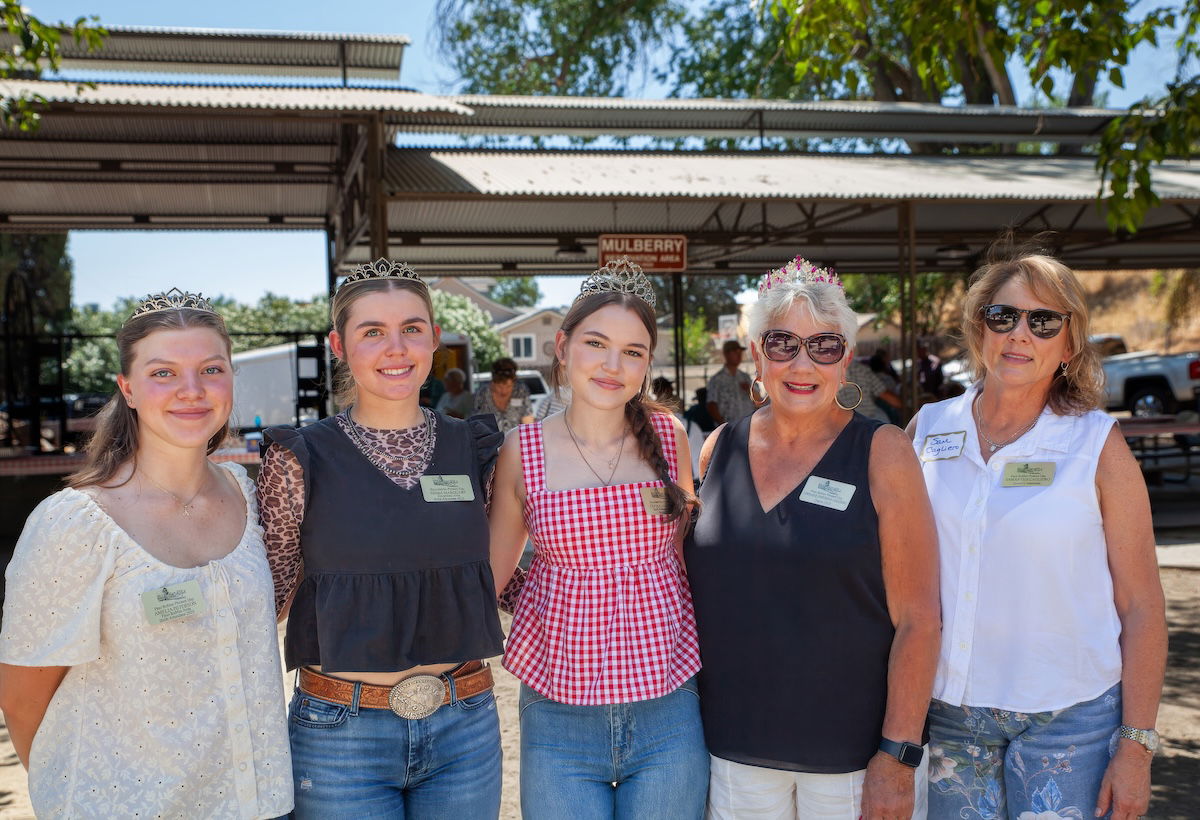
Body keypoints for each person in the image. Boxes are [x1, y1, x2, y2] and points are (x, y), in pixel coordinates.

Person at [0, 289, 292, 818]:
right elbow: (22, 700)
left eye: (211, 369)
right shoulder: (77, 523)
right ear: (128, 389)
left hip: (257, 805)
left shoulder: (249, 496)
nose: (191, 390)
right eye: (163, 373)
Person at [909, 251, 1167, 820]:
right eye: (1003, 316)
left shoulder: (1097, 444)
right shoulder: (928, 430)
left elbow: (1143, 606)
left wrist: (1136, 745)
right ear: (980, 327)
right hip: (949, 715)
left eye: (1044, 321)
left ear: (1069, 345)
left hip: (1070, 718)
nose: (1020, 334)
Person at [686, 257, 940, 819]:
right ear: (757, 355)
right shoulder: (717, 450)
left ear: (845, 360)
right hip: (734, 756)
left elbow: (920, 619)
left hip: (853, 763)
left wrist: (898, 755)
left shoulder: (884, 452)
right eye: (783, 344)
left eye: (825, 346)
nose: (803, 364)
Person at [259, 259, 505, 817]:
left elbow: (509, 576)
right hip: (340, 737)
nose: (396, 348)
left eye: (411, 329)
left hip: (464, 727)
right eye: (372, 332)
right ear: (339, 346)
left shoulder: (477, 449)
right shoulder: (298, 458)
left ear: (434, 339)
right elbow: (266, 598)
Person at [490, 258, 708, 819]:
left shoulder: (669, 436)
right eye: (596, 344)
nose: (613, 366)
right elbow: (491, 574)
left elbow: (684, 560)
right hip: (558, 710)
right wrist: (541, 598)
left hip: (667, 700)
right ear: (563, 348)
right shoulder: (522, 450)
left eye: (633, 351)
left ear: (647, 363)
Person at [475, 356, 533, 433]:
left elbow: (528, 424)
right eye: (499, 386)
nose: (504, 391)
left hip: (515, 438)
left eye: (509, 386)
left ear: (514, 382)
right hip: (490, 439)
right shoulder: (482, 393)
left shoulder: (521, 391)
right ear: (493, 382)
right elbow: (476, 423)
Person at [840, 357, 904, 424]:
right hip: (869, 417)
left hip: (845, 421)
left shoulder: (834, 371)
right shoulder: (861, 370)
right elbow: (888, 396)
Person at [706, 339, 755, 424]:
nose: (739, 355)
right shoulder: (717, 380)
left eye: (740, 352)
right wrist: (722, 424)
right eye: (735, 352)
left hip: (748, 425)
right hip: (728, 426)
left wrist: (750, 390)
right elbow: (711, 405)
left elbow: (758, 401)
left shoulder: (745, 377)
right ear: (726, 354)